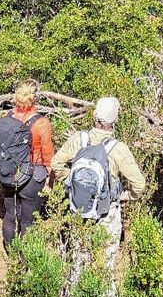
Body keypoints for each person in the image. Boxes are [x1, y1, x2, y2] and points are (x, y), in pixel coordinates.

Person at [51, 97, 146, 270]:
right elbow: (139, 183)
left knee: (79, 259)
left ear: (94, 115)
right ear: (115, 120)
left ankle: (76, 292)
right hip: (106, 210)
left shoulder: (78, 139)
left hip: (78, 208)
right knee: (105, 263)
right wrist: (127, 196)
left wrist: (69, 181)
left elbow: (56, 164)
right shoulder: (118, 149)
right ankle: (105, 295)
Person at [0, 80, 55, 251]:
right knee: (28, 221)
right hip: (33, 177)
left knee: (10, 214)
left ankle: (11, 254)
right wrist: (50, 182)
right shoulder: (41, 123)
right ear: (34, 99)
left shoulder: (6, 119)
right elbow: (48, 157)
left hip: (9, 174)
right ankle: (26, 260)